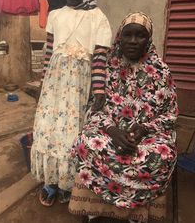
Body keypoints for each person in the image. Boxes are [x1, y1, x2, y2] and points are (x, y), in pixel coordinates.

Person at [69, 12, 178, 222]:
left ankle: (131, 212)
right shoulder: (107, 69)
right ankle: (99, 210)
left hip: (147, 136)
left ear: (149, 39)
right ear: (120, 36)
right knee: (86, 143)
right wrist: (112, 130)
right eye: (128, 35)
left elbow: (170, 114)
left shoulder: (161, 71)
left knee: (161, 156)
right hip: (109, 132)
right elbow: (95, 106)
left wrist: (145, 128)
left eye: (140, 36)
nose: (133, 41)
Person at [31, 0, 112, 207]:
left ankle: (68, 182)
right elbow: (49, 55)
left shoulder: (97, 17)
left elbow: (99, 58)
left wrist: (99, 89)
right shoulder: (55, 16)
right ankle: (50, 181)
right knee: (49, 130)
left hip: (79, 87)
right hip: (54, 87)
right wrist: (43, 84)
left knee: (72, 134)